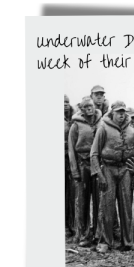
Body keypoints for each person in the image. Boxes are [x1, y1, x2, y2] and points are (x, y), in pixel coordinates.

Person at [90, 101, 134, 252]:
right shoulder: (103, 128)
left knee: (126, 207)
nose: (121, 114)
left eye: (123, 112)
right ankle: (105, 242)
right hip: (108, 169)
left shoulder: (131, 130)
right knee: (107, 206)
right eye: (118, 111)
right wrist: (99, 175)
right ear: (112, 112)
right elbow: (94, 154)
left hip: (126, 169)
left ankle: (128, 242)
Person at [67, 97, 103, 248]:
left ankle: (97, 234)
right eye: (86, 106)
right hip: (82, 165)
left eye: (91, 106)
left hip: (97, 165)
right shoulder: (76, 126)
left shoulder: (101, 122)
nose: (89, 108)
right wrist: (75, 171)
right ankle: (83, 234)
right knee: (82, 201)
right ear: (81, 109)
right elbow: (71, 150)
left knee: (98, 199)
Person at [64, 95, 76, 240]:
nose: (65, 105)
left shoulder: (74, 119)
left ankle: (71, 226)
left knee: (72, 195)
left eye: (67, 102)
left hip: (72, 161)